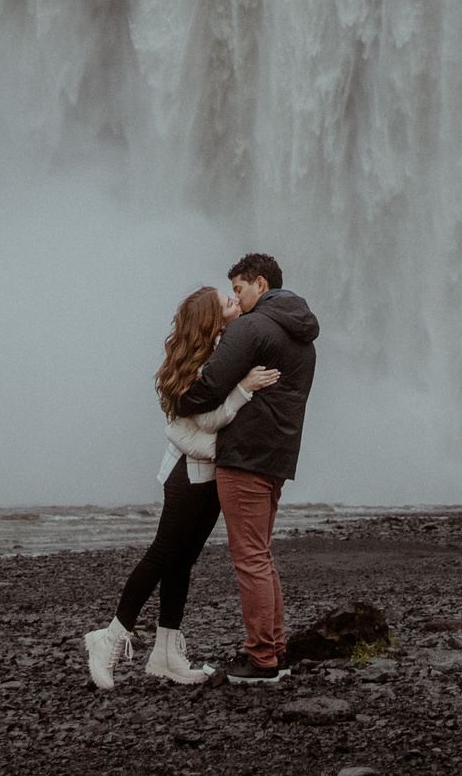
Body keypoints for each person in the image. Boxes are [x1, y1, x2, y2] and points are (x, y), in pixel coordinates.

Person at [79, 286, 281, 689]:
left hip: (211, 475)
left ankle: (166, 654)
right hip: (188, 474)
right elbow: (206, 422)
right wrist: (244, 390)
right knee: (162, 554)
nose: (232, 299)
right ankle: (109, 637)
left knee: (182, 561)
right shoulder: (204, 363)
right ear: (208, 318)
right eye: (225, 299)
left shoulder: (225, 347)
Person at [174, 252, 317, 684]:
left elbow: (210, 384)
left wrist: (178, 402)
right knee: (262, 555)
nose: (235, 298)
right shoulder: (302, 333)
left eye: (238, 289)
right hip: (277, 457)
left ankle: (260, 661)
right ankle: (275, 650)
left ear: (259, 284)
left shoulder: (252, 327)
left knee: (250, 558)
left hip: (246, 457)